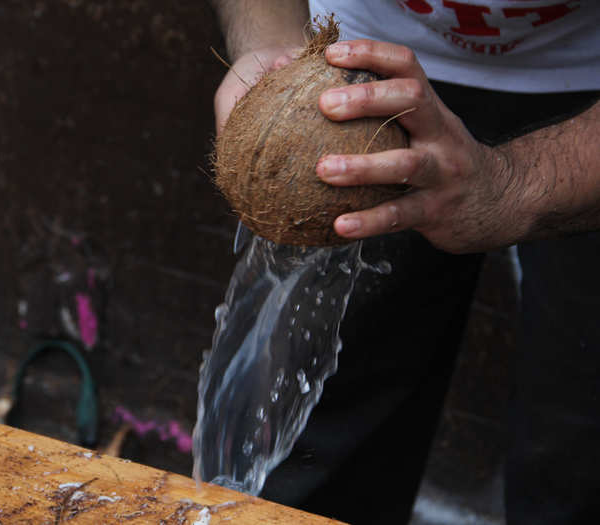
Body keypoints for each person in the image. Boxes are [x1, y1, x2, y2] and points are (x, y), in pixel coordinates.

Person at [209, 1, 600, 524]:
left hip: (585, 77)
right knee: (315, 445)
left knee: (576, 452)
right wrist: (268, 41)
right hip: (359, 69)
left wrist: (514, 186)